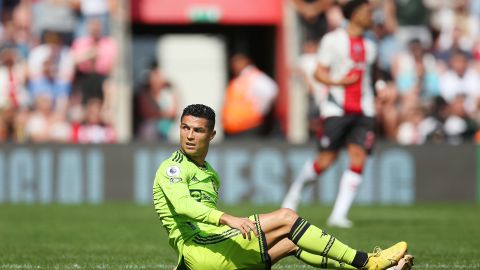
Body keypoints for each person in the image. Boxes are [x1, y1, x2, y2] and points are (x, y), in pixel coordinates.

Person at [152, 104, 414, 270]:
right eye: (185, 128)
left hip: (214, 249)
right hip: (202, 251)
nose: (189, 135)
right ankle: (368, 261)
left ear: (212, 135)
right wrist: (228, 218)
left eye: (197, 130)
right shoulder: (172, 168)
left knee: (292, 242)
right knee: (287, 218)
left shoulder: (208, 172)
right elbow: (183, 206)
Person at [282, 0, 377, 228]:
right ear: (353, 14)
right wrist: (338, 82)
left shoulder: (371, 45)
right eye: (366, 11)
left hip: (365, 110)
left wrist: (382, 88)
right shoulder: (333, 40)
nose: (370, 16)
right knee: (326, 161)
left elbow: (374, 75)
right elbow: (318, 73)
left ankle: (339, 215)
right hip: (336, 109)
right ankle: (295, 193)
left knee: (358, 158)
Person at [222, 53, 278, 138]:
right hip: (235, 129)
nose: (234, 66)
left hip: (249, 128)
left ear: (245, 62)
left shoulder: (253, 76)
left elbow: (271, 91)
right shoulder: (239, 79)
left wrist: (260, 111)